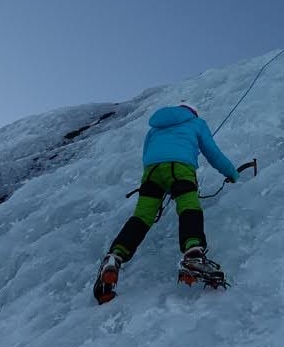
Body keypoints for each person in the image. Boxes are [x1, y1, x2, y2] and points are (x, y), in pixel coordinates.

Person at [94, 102, 239, 303]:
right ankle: (193, 254)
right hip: (180, 168)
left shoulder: (155, 128)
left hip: (151, 172)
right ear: (192, 112)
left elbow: (147, 155)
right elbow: (212, 153)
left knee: (142, 217)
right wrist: (232, 174)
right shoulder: (196, 123)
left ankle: (115, 256)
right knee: (189, 207)